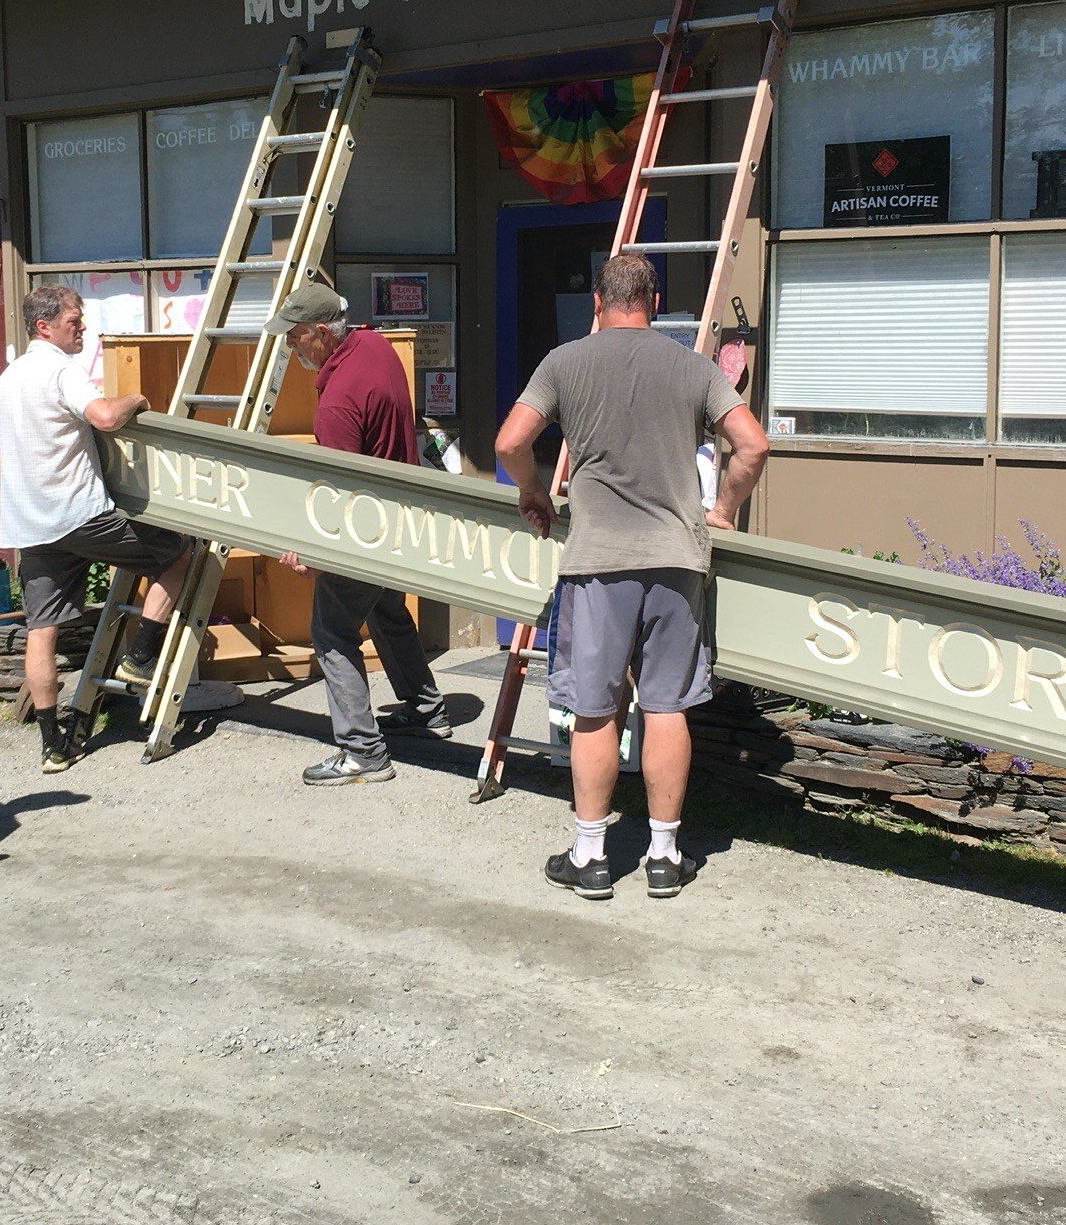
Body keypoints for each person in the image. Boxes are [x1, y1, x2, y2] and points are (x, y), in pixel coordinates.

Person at [494, 252, 770, 900]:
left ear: (598, 300)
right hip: (677, 561)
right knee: (667, 705)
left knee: (594, 711)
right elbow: (753, 445)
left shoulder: (564, 363)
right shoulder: (693, 368)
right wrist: (722, 510)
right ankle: (665, 857)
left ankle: (591, 858)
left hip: (598, 563)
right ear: (654, 299)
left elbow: (509, 442)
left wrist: (534, 491)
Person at [0, 284, 193, 773]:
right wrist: (138, 399)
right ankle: (142, 655)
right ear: (44, 327)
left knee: (41, 631)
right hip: (78, 514)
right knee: (182, 551)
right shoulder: (60, 369)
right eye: (73, 320)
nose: (82, 327)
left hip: (30, 522)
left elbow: (3, 454)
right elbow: (104, 417)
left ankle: (52, 745)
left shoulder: (9, 376)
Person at [266, 283, 451, 786]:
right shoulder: (376, 345)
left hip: (364, 529)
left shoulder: (338, 403)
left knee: (332, 632)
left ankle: (362, 751)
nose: (291, 347)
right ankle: (427, 709)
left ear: (322, 333)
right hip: (399, 515)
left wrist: (315, 554)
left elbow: (337, 493)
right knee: (389, 613)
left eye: (297, 337)